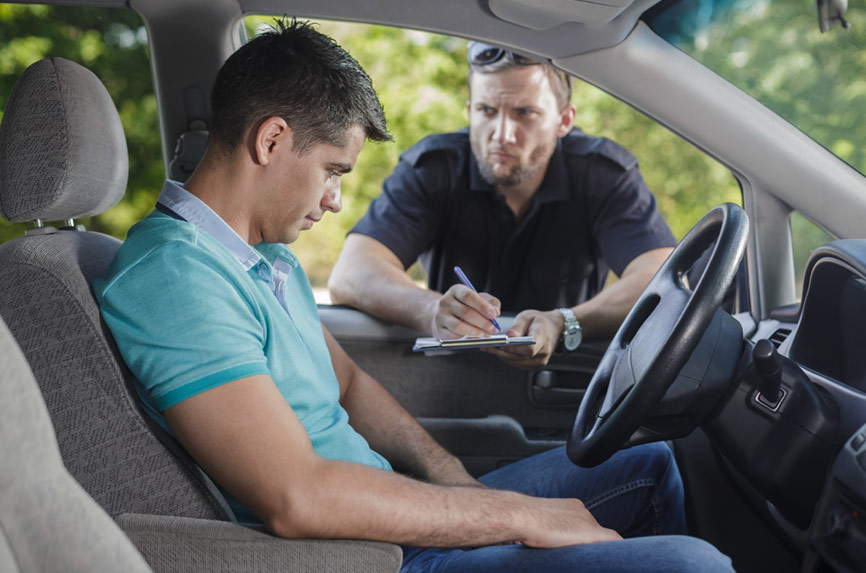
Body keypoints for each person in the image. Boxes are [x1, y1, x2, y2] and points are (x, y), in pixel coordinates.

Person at [94, 20, 732, 572]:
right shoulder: (176, 278)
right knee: (693, 564)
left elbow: (348, 386)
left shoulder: (265, 256)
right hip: (374, 556)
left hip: (391, 510)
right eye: (333, 172)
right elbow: (299, 498)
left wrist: (450, 474)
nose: (335, 200)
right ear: (271, 140)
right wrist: (510, 513)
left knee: (651, 462)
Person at [329, 41, 676, 369]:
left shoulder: (604, 175)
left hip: (565, 383)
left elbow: (662, 278)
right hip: (450, 382)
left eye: (525, 112)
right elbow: (351, 273)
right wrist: (432, 309)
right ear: (469, 112)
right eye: (487, 111)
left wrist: (564, 322)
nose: (502, 133)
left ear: (564, 121)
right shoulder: (433, 169)